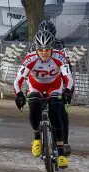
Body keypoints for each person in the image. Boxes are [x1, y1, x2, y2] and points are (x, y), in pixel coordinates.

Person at [13, 30, 74, 168]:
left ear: (51, 48)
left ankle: (61, 154)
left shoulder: (60, 57)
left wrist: (68, 91)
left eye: (47, 49)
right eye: (41, 50)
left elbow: (68, 77)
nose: (44, 53)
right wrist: (19, 94)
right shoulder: (30, 58)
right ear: (37, 49)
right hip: (36, 87)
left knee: (55, 113)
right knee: (33, 105)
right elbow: (18, 80)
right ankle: (36, 138)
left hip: (54, 86)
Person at [30, 20, 73, 156]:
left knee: (62, 111)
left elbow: (67, 65)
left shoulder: (60, 45)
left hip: (57, 78)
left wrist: (68, 88)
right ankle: (37, 136)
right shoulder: (34, 45)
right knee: (33, 104)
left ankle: (64, 142)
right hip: (38, 80)